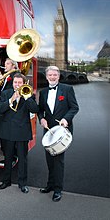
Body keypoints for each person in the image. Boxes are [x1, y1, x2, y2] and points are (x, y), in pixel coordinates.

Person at [38, 65, 79, 202]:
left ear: (59, 76)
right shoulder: (43, 92)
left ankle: (58, 189)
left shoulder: (67, 89)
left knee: (58, 161)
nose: (52, 77)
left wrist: (66, 119)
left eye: (55, 75)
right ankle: (50, 185)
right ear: (47, 76)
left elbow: (74, 107)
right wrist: (41, 119)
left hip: (62, 130)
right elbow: (40, 110)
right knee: (49, 159)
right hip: (48, 131)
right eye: (50, 75)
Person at [0, 73, 39, 193]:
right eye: (15, 82)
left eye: (20, 83)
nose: (17, 85)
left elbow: (35, 109)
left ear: (24, 83)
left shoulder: (28, 94)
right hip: (8, 131)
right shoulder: (5, 93)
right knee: (8, 158)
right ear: (13, 83)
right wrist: (11, 100)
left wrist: (27, 97)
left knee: (22, 159)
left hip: (22, 131)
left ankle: (22, 183)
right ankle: (6, 181)